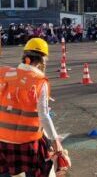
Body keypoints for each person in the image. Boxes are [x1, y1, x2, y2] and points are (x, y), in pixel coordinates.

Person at [0, 38, 64, 177]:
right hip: (27, 142)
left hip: (2, 140)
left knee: (5, 172)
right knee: (37, 170)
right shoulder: (39, 81)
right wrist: (55, 141)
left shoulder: (4, 74)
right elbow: (44, 116)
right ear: (42, 60)